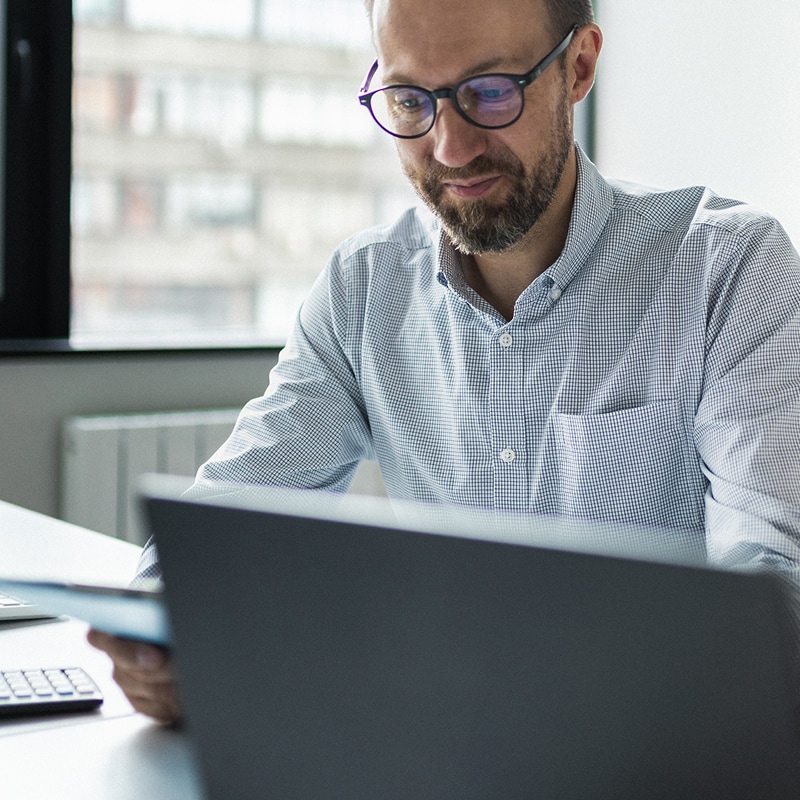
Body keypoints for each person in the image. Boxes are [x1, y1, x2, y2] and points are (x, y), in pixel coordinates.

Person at [88, 0, 800, 724]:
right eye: (409, 99)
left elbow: (774, 587)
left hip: (659, 749)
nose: (450, 146)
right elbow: (226, 517)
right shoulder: (364, 288)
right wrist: (162, 636)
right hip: (441, 742)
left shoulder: (728, 268)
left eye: (490, 92)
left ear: (578, 66)